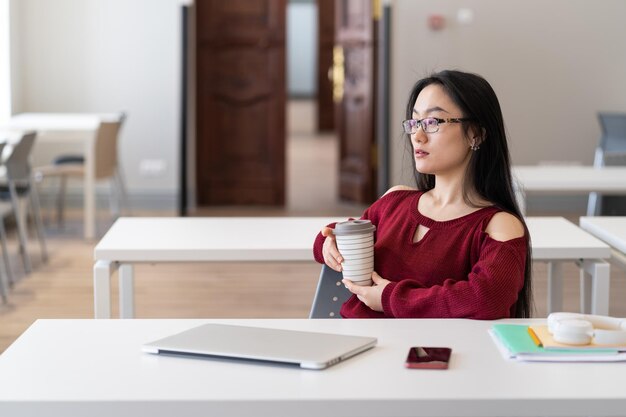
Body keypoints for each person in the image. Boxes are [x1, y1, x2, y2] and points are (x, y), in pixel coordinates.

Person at [313, 70, 532, 319]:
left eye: (433, 122)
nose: (417, 136)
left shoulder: (498, 225)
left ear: (476, 133)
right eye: (415, 122)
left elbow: (486, 298)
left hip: (433, 355)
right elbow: (348, 233)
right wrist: (329, 241)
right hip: (357, 346)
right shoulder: (395, 200)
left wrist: (391, 299)